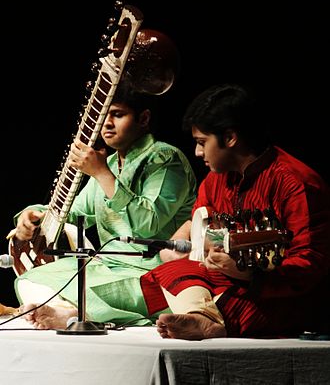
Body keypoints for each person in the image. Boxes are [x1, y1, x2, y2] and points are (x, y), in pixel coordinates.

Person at [138, 82, 330, 339]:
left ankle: (207, 318)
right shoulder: (215, 180)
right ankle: (203, 317)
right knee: (168, 271)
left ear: (230, 138)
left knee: (227, 302)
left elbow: (310, 263)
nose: (197, 152)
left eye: (202, 142)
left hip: (279, 295)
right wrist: (191, 247)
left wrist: (250, 274)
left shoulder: (295, 182)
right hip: (227, 282)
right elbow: (199, 227)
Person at [12, 79, 197, 329]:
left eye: (118, 115)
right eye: (104, 116)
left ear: (143, 118)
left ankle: (71, 313)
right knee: (30, 279)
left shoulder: (165, 158)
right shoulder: (109, 164)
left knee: (98, 292)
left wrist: (101, 174)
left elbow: (148, 225)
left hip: (153, 273)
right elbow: (75, 213)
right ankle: (70, 311)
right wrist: (34, 216)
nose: (107, 124)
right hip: (108, 266)